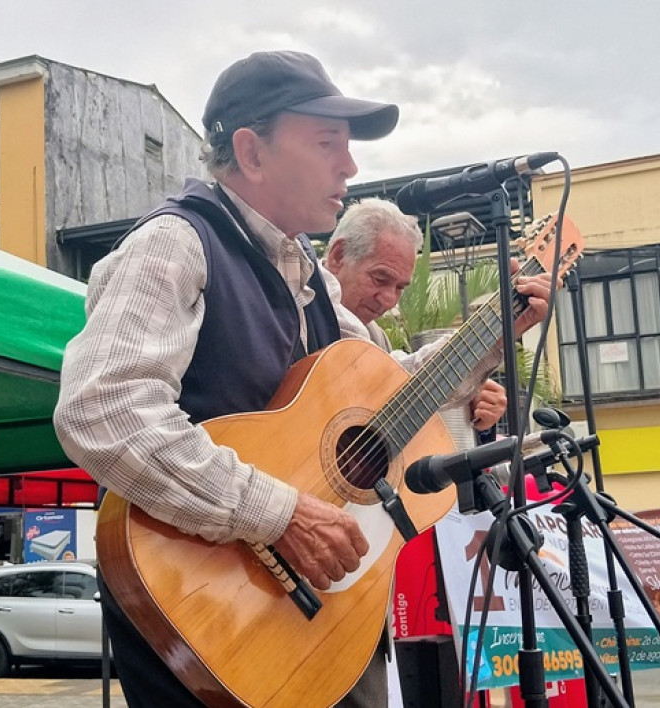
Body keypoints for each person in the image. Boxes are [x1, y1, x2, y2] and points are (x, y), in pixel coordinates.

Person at [54, 50, 553, 708]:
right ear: (251, 151)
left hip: (297, 619)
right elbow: (104, 409)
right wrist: (278, 513)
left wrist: (493, 331)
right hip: (201, 607)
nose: (349, 166)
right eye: (326, 143)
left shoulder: (309, 276)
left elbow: (391, 391)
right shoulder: (175, 242)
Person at [323, 197, 508, 434]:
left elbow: (392, 419)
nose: (389, 300)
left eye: (400, 287)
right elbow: (406, 387)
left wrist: (471, 411)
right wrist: (499, 326)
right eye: (380, 279)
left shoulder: (376, 337)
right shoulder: (301, 303)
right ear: (339, 256)